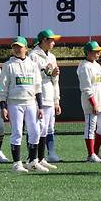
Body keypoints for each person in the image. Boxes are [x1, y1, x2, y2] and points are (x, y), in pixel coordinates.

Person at [0, 36, 47, 173]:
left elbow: (37, 87)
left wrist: (40, 107)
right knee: (17, 132)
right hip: (14, 103)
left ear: (26, 48)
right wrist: (3, 107)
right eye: (15, 46)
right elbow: (3, 88)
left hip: (31, 102)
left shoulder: (32, 64)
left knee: (35, 131)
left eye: (20, 46)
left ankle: (32, 161)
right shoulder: (8, 65)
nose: (17, 49)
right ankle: (16, 163)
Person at [29, 29, 62, 169]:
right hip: (38, 96)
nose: (53, 42)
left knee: (47, 128)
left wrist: (57, 100)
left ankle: (41, 158)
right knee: (37, 128)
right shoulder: (33, 55)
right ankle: (32, 158)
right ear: (43, 40)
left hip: (50, 95)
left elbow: (55, 79)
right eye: (51, 40)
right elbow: (32, 77)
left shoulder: (52, 57)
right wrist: (49, 73)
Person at [77, 41, 101, 162]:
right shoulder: (84, 66)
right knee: (90, 128)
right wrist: (93, 103)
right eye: (96, 51)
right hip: (91, 102)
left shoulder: (96, 65)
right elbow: (86, 87)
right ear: (88, 53)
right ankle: (90, 155)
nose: (99, 53)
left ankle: (95, 152)